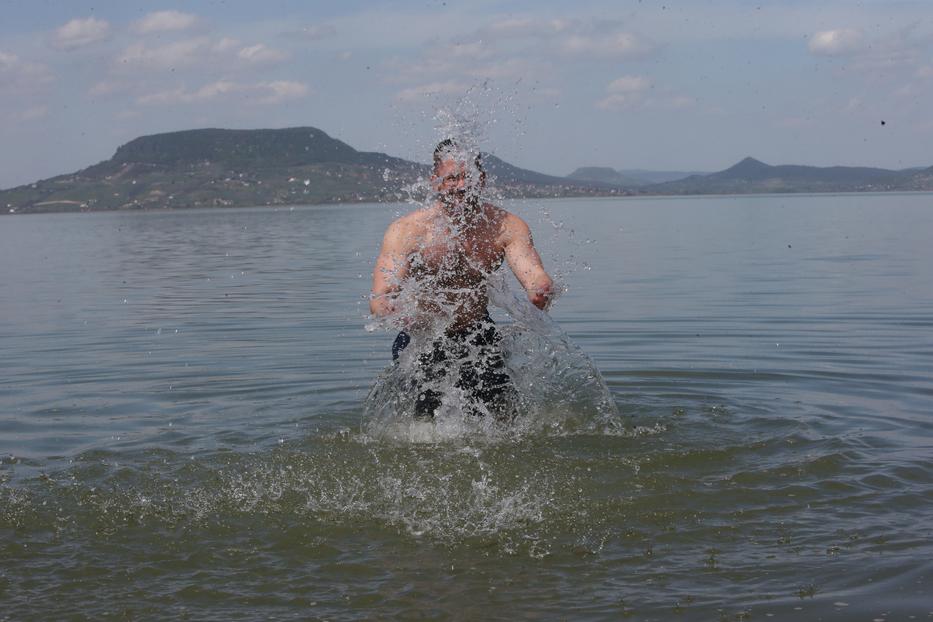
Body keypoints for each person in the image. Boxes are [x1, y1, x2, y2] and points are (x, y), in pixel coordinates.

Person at [369, 139, 554, 420]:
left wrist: (541, 289)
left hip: (478, 334)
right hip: (423, 338)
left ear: (482, 180)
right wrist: (389, 308)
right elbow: (382, 293)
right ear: (436, 182)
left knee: (504, 421)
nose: (460, 185)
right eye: (452, 177)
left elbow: (531, 272)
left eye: (468, 177)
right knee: (424, 426)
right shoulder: (407, 231)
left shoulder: (505, 226)